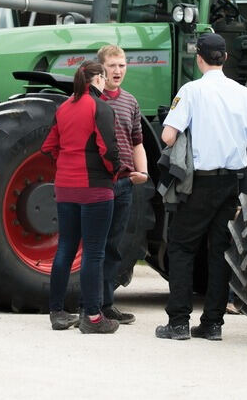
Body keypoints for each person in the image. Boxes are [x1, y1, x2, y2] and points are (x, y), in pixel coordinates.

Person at [155, 32, 247, 341]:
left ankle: (178, 321)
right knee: (219, 250)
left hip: (198, 184)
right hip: (231, 182)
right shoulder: (244, 94)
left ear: (199, 58)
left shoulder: (191, 91)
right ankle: (213, 323)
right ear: (226, 58)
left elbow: (167, 136)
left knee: (181, 247)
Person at [42, 60, 122, 334]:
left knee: (65, 247)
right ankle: (92, 317)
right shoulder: (100, 107)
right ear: (98, 78)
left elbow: (49, 146)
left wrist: (65, 168)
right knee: (94, 251)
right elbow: (109, 150)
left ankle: (57, 312)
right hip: (94, 187)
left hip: (65, 186)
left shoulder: (63, 107)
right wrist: (113, 174)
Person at [97, 45, 149, 325]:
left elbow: (137, 142)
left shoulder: (130, 101)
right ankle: (86, 305)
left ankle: (106, 304)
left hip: (124, 185)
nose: (118, 71)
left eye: (122, 65)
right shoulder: (91, 100)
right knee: (93, 245)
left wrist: (143, 172)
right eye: (112, 66)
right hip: (98, 185)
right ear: (101, 68)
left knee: (114, 246)